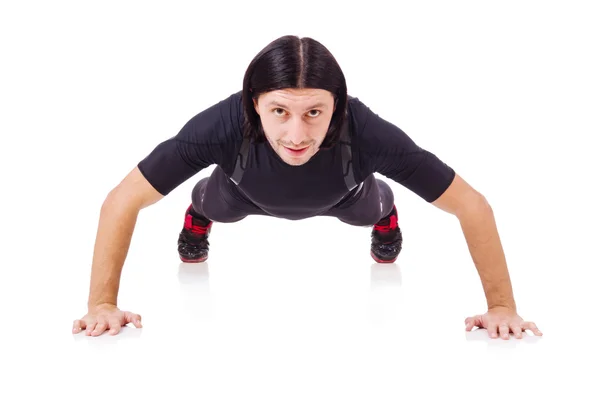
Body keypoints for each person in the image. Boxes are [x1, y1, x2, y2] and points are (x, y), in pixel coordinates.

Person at [72, 35, 543, 340]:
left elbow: (472, 205)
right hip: (240, 193)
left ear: (336, 107)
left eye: (314, 112)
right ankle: (199, 219)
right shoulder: (217, 127)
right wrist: (102, 304)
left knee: (370, 207)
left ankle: (386, 215)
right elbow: (122, 200)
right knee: (214, 202)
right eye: (279, 111)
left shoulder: (368, 133)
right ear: (254, 103)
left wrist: (502, 306)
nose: (296, 136)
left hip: (345, 196)